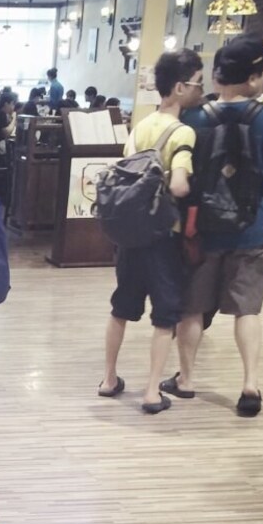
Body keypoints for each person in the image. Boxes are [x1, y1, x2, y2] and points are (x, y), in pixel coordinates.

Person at [163, 34, 263, 416]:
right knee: (247, 310)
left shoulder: (193, 117)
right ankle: (250, 385)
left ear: (218, 75)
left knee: (192, 308)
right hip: (253, 227)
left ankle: (186, 380)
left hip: (202, 229)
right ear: (254, 78)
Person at [97, 48, 204, 413]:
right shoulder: (183, 131)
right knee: (165, 316)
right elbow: (178, 185)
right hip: (162, 238)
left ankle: (109, 379)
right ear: (179, 87)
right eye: (197, 83)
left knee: (121, 308)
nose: (200, 90)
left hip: (131, 236)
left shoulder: (141, 126)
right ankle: (152, 392)